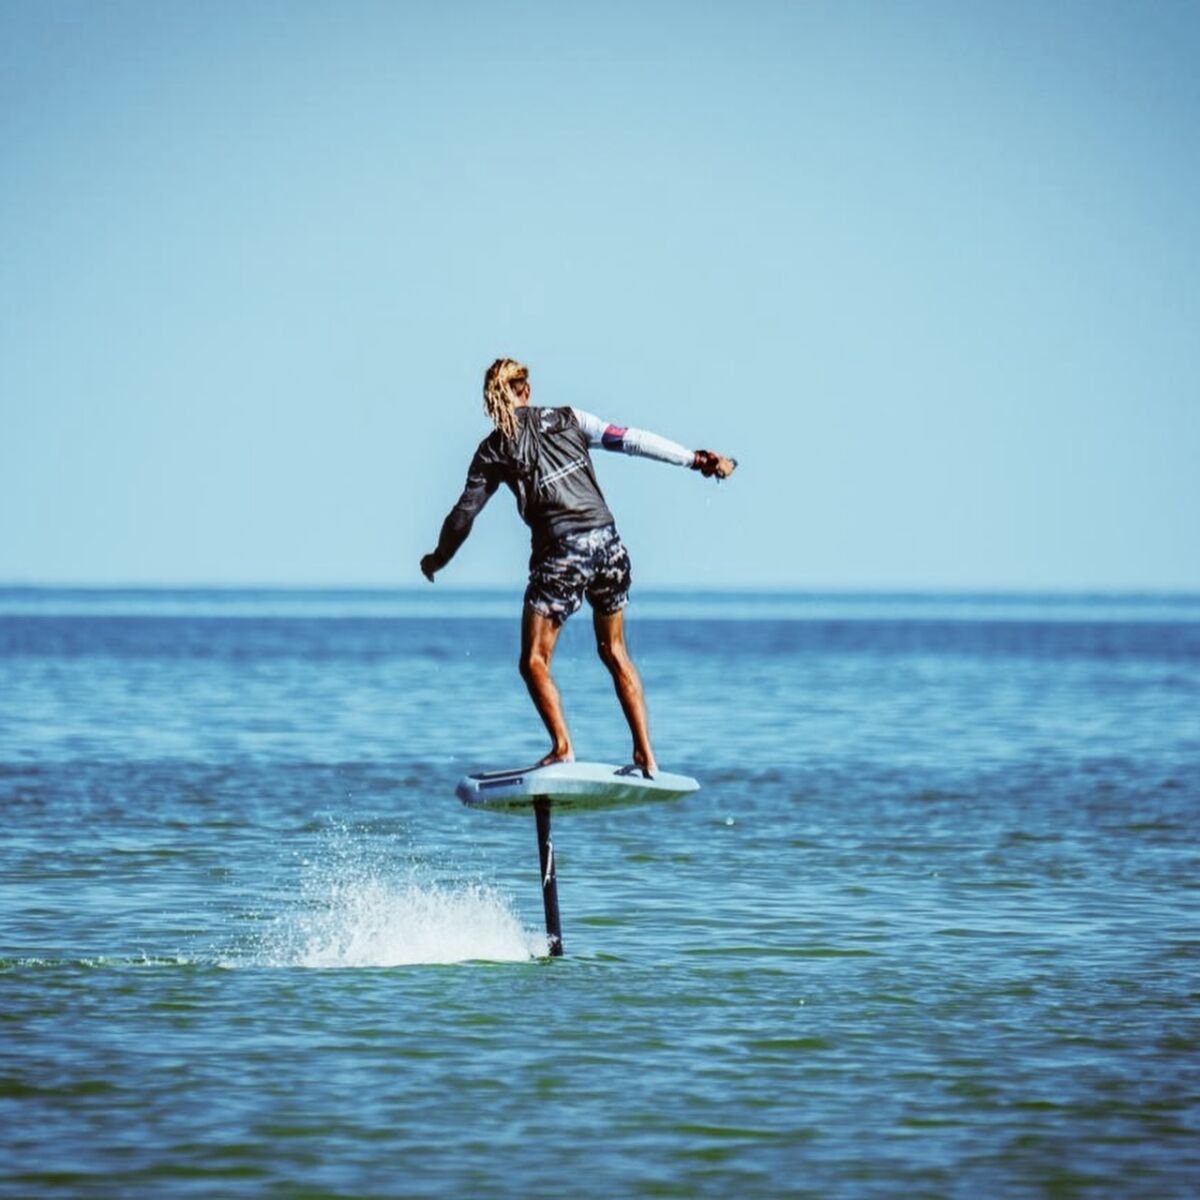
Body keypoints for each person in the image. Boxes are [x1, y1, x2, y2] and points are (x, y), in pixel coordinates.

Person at [420, 358, 736, 777]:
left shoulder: (493, 449)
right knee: (615, 651)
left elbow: (463, 515)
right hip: (609, 545)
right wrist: (694, 459)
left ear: (491, 401)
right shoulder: (570, 418)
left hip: (562, 553)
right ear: (526, 391)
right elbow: (633, 440)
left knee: (534, 660)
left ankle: (562, 747)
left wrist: (438, 558)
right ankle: (646, 755)